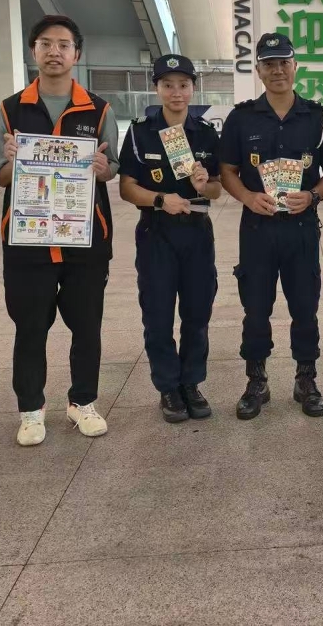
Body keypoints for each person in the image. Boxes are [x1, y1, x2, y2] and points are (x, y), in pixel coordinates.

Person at [0, 15, 119, 446]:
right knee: (30, 328)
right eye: (45, 44)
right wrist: (12, 161)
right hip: (28, 243)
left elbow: (112, 167)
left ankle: (83, 402)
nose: (54, 52)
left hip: (85, 240)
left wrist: (102, 168)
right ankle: (31, 410)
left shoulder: (99, 109)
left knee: (87, 327)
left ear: (76, 54)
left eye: (63, 45)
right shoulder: (9, 110)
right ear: (34, 51)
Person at [218, 33, 323, 420]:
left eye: (284, 62)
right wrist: (247, 197)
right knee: (256, 309)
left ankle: (306, 379)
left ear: (295, 67)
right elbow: (227, 170)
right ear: (258, 70)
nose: (277, 70)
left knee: (305, 308)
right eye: (269, 64)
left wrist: (313, 196)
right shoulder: (241, 118)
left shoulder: (318, 117)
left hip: (301, 229)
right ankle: (256, 381)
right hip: (257, 230)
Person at [118, 55, 221, 423]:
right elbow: (127, 187)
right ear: (156, 88)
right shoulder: (140, 131)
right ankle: (167, 387)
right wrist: (161, 200)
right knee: (158, 314)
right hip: (156, 232)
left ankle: (191, 383)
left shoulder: (206, 133)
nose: (176, 92)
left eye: (183, 85)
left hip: (197, 232)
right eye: (167, 85)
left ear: (193, 87)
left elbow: (217, 189)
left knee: (197, 312)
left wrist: (203, 186)